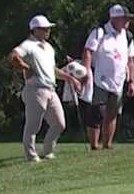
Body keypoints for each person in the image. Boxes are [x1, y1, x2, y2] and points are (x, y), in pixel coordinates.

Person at [6, 15, 83, 163]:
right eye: (44, 29)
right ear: (35, 30)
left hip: (50, 89)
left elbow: (52, 70)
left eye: (48, 29)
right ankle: (31, 155)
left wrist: (70, 78)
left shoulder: (48, 48)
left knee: (60, 123)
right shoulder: (28, 44)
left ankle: (47, 150)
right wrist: (25, 67)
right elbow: (13, 56)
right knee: (33, 125)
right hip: (35, 89)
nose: (48, 31)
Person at [83, 5, 134, 150]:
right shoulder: (100, 32)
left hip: (118, 80)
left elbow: (131, 60)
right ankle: (94, 145)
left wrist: (131, 81)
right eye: (125, 19)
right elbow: (88, 51)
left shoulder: (127, 36)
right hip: (100, 79)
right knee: (98, 111)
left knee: (113, 113)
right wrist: (86, 71)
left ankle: (107, 144)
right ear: (115, 19)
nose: (127, 22)